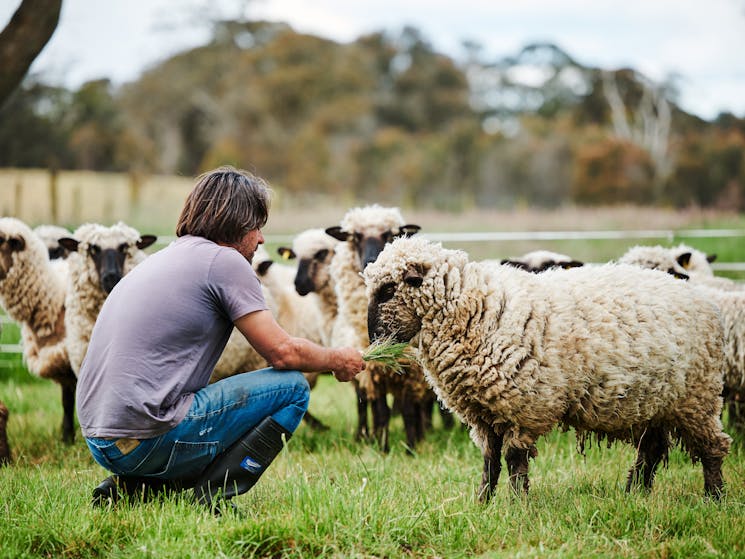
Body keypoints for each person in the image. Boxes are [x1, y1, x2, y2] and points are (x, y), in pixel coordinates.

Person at [76, 166, 365, 512]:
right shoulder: (225, 261)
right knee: (293, 386)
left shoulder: (162, 259)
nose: (260, 239)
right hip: (147, 440)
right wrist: (338, 359)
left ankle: (138, 488)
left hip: (100, 440)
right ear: (235, 223)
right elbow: (283, 353)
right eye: (256, 226)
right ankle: (213, 495)